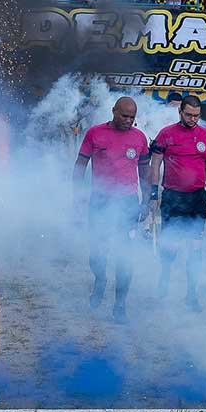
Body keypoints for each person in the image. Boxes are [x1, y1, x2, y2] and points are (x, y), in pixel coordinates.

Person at [73, 97, 150, 322]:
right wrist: (77, 197)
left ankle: (120, 305)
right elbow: (80, 166)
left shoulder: (140, 138)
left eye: (132, 117)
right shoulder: (95, 133)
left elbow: (145, 172)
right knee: (97, 253)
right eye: (124, 116)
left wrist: (147, 200)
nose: (128, 120)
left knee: (124, 256)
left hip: (127, 203)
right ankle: (100, 279)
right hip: (100, 201)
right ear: (114, 111)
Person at [148, 95, 206, 311]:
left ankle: (191, 295)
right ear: (180, 112)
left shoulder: (205, 136)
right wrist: (153, 192)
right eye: (188, 115)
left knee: (195, 247)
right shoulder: (166, 134)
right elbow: (156, 162)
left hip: (197, 198)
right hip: (172, 198)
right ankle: (164, 280)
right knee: (171, 245)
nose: (192, 119)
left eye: (196, 115)